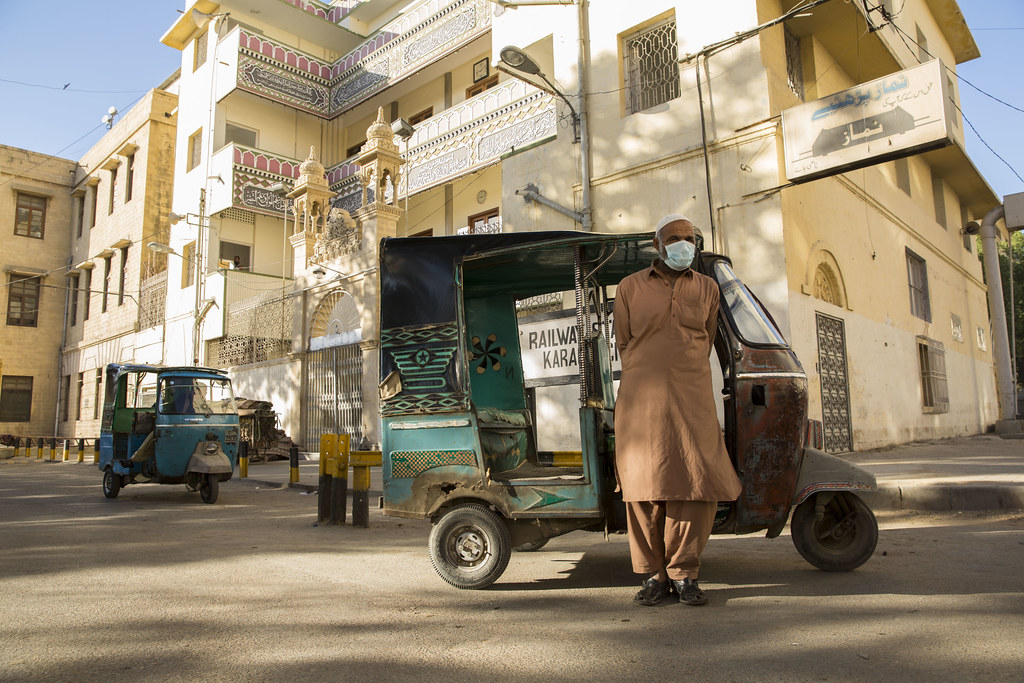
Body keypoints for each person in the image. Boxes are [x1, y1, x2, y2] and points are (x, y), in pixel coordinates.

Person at [613, 214, 742, 607]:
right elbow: (624, 341)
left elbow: (703, 340)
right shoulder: (629, 287)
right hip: (641, 401)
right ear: (657, 244)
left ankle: (685, 573)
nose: (683, 244)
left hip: (693, 397)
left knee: (695, 483)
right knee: (643, 485)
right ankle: (654, 575)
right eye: (675, 238)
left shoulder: (707, 288)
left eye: (689, 238)